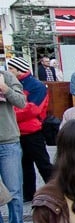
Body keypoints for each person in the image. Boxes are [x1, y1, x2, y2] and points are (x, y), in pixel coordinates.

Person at [7, 57, 53, 203]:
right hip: (17, 131)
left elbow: (32, 109)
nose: (9, 72)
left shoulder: (36, 85)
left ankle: (55, 190)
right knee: (24, 165)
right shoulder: (13, 83)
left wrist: (10, 115)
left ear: (19, 70)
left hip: (33, 131)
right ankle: (28, 194)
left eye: (11, 69)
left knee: (43, 163)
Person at [0, 66, 27, 223]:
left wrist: (4, 88)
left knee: (14, 189)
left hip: (8, 140)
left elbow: (21, 102)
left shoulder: (7, 76)